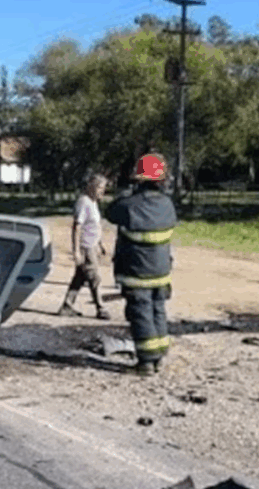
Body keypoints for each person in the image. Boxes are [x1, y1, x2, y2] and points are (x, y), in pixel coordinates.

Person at [104, 153, 177, 376]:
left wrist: (124, 191)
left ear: (138, 178)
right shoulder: (167, 204)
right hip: (162, 271)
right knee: (158, 311)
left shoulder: (130, 205)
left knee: (140, 313)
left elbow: (111, 213)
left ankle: (146, 361)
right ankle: (159, 356)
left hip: (137, 272)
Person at [59, 174, 110, 320]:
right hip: (86, 247)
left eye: (104, 189)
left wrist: (100, 244)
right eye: (100, 188)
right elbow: (77, 227)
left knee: (79, 278)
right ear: (91, 186)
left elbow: (94, 226)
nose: (102, 191)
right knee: (95, 278)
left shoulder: (93, 203)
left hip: (93, 246)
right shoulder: (84, 202)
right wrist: (76, 251)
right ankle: (101, 308)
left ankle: (67, 306)